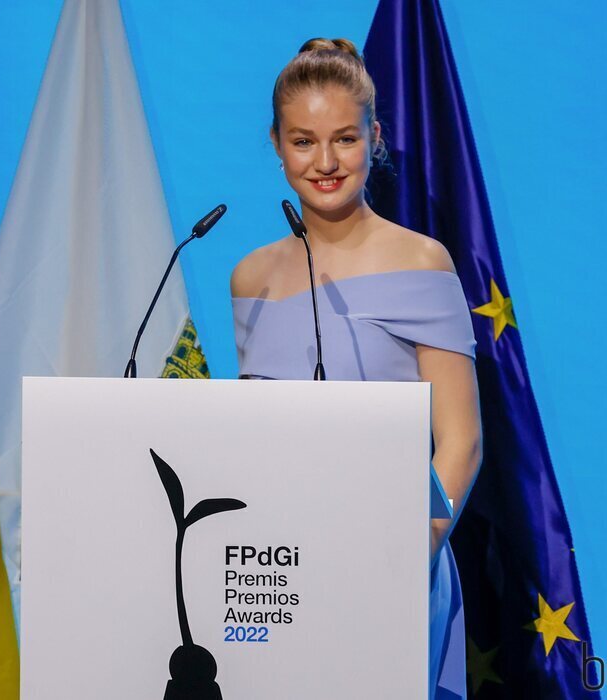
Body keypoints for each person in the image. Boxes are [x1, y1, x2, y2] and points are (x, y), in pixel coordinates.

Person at [230, 38, 482, 699]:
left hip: (390, 562)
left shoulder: (423, 261)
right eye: (304, 141)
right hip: (278, 570)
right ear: (278, 145)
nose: (325, 161)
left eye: (343, 138)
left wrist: (413, 550)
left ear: (375, 137)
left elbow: (461, 440)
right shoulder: (250, 277)